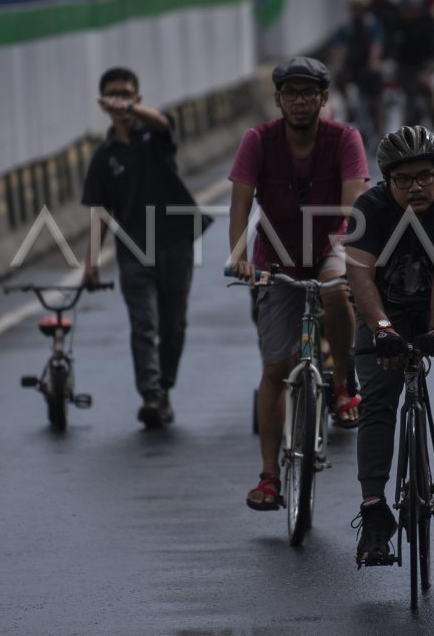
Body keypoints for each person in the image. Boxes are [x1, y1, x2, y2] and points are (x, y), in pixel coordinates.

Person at [228, 56, 368, 511]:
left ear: (324, 99)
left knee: (334, 290)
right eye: (292, 93)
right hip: (278, 258)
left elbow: (354, 204)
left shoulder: (344, 138)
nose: (301, 101)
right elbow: (240, 206)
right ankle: (269, 476)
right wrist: (240, 257)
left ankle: (344, 383)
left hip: (332, 245)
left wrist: (347, 254)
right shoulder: (258, 141)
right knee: (274, 368)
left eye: (310, 93)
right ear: (279, 100)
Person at [345, 126, 434, 565]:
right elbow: (360, 277)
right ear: (387, 181)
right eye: (403, 179)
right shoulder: (368, 208)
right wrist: (382, 328)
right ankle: (373, 513)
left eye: (425, 176)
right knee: (377, 400)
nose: (416, 187)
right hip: (384, 299)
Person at [81, 67, 207, 429]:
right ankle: (151, 394)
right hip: (135, 248)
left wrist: (131, 110)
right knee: (144, 323)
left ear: (138, 97)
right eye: (113, 95)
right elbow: (101, 213)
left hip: (176, 241)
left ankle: (164, 386)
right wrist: (90, 264)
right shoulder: (104, 158)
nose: (120, 100)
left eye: (127, 93)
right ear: (103, 103)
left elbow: (162, 123)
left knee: (174, 324)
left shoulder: (156, 133)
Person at [332, 0, 386, 137]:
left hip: (368, 67)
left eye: (360, 8)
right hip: (351, 67)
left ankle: (380, 130)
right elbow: (339, 48)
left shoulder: (372, 24)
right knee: (338, 79)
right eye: (354, 8)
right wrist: (339, 65)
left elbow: (376, 45)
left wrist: (374, 62)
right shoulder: (345, 27)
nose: (357, 11)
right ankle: (349, 106)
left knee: (376, 99)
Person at [392, 0, 434, 128]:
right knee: (408, 95)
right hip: (404, 66)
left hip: (424, 64)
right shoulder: (398, 23)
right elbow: (390, 46)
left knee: (426, 87)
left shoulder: (429, 22)